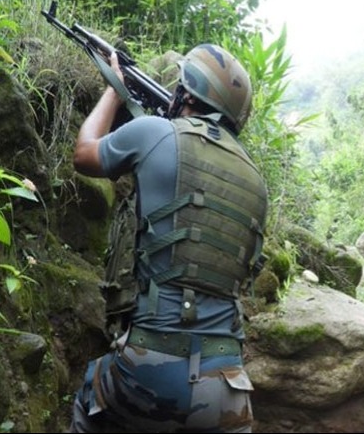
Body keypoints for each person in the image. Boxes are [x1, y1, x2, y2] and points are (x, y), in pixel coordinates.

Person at [69, 44, 268, 433]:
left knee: (91, 405)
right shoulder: (257, 182)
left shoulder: (156, 132)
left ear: (186, 95)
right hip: (228, 386)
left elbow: (84, 154)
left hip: (149, 372)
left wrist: (114, 89)